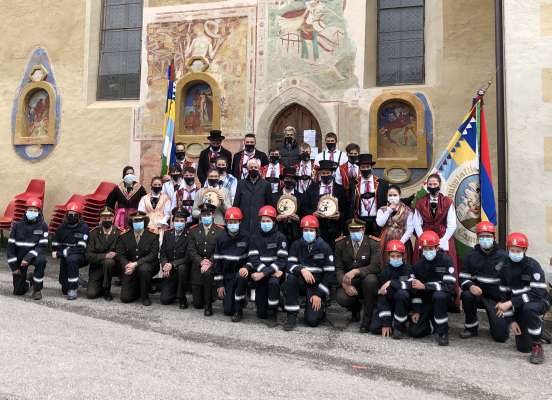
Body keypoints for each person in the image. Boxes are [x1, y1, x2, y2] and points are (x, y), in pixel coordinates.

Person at [496, 232, 551, 364]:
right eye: (512, 250)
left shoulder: (533, 266)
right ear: (508, 249)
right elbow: (504, 295)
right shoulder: (504, 267)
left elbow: (537, 293)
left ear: (524, 250)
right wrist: (511, 321)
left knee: (529, 308)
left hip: (539, 301)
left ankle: (537, 345)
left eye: (518, 250)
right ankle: (539, 331)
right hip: (520, 305)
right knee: (523, 348)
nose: (515, 253)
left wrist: (511, 302)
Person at [236, 206, 287, 326]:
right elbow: (254, 258)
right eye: (263, 221)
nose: (265, 223)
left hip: (273, 274)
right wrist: (264, 272)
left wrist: (264, 273)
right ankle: (278, 301)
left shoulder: (281, 237)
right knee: (260, 314)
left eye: (268, 221)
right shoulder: (254, 237)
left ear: (274, 222)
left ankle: (273, 314)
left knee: (273, 283)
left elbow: (281, 261)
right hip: (263, 273)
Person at [283, 215, 336, 330]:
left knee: (312, 321)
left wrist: (319, 294)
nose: (308, 233)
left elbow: (330, 275)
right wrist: (301, 269)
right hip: (301, 281)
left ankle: (321, 307)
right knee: (291, 278)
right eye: (305, 230)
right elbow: (289, 265)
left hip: (317, 286)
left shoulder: (325, 247)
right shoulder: (296, 245)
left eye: (311, 230)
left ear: (316, 231)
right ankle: (291, 315)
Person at [409, 231, 456, 346]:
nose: (427, 251)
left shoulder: (446, 260)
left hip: (444, 298)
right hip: (426, 300)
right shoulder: (418, 265)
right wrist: (416, 310)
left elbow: (449, 286)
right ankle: (431, 324)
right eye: (425, 248)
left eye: (430, 248)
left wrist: (426, 286)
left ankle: (443, 333)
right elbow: (416, 291)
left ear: (437, 247)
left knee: (439, 295)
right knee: (414, 332)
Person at [335, 219, 381, 332]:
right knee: (341, 297)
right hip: (349, 281)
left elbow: (375, 266)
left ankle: (366, 320)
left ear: (363, 229)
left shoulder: (373, 243)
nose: (354, 232)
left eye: (357, 229)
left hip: (366, 279)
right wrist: (345, 285)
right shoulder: (341, 244)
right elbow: (338, 268)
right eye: (352, 230)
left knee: (371, 280)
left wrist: (356, 271)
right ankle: (355, 309)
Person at [370, 240, 415, 339]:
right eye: (393, 256)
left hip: (404, 305)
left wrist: (392, 283)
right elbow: (382, 297)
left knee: (402, 293)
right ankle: (391, 322)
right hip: (389, 305)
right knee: (374, 328)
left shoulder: (408, 269)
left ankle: (400, 326)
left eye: (398, 256)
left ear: (403, 256)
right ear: (388, 257)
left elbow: (411, 286)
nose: (395, 259)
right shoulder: (384, 273)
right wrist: (386, 322)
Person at [413, 173, 458, 271]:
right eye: (430, 184)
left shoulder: (448, 202)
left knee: (443, 266)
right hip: (424, 234)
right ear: (427, 185)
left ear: (440, 185)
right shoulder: (420, 202)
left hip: (443, 235)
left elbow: (452, 225)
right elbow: (416, 223)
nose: (432, 187)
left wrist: (443, 240)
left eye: (435, 184)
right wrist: (423, 239)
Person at [6, 197, 49, 300]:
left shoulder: (43, 226)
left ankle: (37, 290)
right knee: (18, 292)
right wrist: (14, 267)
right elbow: (10, 248)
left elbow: (42, 246)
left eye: (35, 211)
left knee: (42, 260)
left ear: (39, 212)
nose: (32, 212)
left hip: (33, 256)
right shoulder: (17, 225)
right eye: (30, 210)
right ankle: (30, 281)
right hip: (19, 258)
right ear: (25, 211)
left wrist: (28, 257)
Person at [186, 203, 224, 315]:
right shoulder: (193, 230)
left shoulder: (220, 230)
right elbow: (191, 250)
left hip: (212, 267)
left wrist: (210, 262)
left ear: (212, 215)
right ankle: (203, 299)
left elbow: (219, 250)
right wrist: (201, 261)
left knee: (208, 278)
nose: (206, 217)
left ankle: (208, 306)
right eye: (203, 215)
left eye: (208, 214)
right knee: (197, 304)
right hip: (198, 267)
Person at [116, 211, 159, 306]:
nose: (137, 223)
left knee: (143, 269)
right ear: (131, 222)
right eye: (135, 221)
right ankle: (139, 288)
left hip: (147, 266)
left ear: (145, 221)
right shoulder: (124, 236)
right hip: (129, 267)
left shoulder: (153, 235)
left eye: (140, 220)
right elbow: (120, 254)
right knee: (125, 298)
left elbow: (153, 255)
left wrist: (135, 264)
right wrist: (126, 265)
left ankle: (145, 296)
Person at [213, 207, 250, 318]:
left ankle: (239, 309)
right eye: (230, 222)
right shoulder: (220, 238)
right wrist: (220, 285)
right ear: (226, 222)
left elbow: (251, 258)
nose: (232, 224)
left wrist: (247, 267)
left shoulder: (246, 237)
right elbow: (217, 262)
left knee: (242, 276)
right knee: (228, 311)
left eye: (235, 222)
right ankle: (236, 301)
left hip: (240, 275)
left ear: (240, 222)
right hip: (227, 276)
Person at [303, 160, 348, 250]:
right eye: (323, 173)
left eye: (328, 172)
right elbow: (304, 207)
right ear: (319, 173)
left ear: (332, 173)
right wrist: (313, 214)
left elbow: (346, 208)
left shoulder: (340, 189)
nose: (326, 175)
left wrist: (340, 216)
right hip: (317, 228)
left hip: (335, 228)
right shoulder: (312, 188)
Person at [52, 202, 89, 300]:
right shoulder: (61, 227)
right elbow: (55, 242)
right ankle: (76, 280)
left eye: (74, 214)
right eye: (70, 214)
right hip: (65, 255)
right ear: (66, 215)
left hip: (79, 255)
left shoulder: (84, 227)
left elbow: (81, 248)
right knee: (64, 288)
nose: (72, 216)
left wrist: (61, 253)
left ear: (79, 216)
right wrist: (56, 250)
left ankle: (73, 289)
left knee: (71, 260)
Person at [85, 207, 121, 301]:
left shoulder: (119, 233)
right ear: (100, 219)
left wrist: (114, 255)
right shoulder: (93, 233)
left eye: (109, 218)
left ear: (113, 218)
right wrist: (105, 256)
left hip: (112, 267)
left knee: (108, 262)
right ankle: (99, 285)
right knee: (91, 294)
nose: (107, 220)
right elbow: (88, 256)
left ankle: (106, 290)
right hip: (97, 267)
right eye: (104, 218)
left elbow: (122, 253)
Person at [159, 208, 190, 308]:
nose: (179, 223)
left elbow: (188, 257)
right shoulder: (168, 234)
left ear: (186, 222)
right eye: (176, 220)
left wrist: (171, 264)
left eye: (181, 221)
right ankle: (173, 291)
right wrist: (164, 264)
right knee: (165, 300)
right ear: (173, 221)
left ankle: (182, 297)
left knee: (182, 268)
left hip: (183, 270)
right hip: (169, 271)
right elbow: (163, 252)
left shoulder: (190, 235)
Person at [351, 154, 389, 235]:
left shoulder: (382, 184)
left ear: (371, 167)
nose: (365, 169)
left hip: (376, 222)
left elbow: (387, 201)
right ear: (359, 168)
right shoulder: (353, 184)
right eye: (363, 167)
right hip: (360, 221)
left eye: (367, 167)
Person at [376, 185, 414, 264]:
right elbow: (380, 223)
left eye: (395, 195)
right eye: (390, 195)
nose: (392, 197)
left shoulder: (407, 210)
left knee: (403, 262)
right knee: (386, 261)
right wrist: (389, 210)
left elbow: (410, 229)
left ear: (399, 196)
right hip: (386, 239)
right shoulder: (382, 209)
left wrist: (401, 242)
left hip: (402, 239)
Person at [233, 158, 273, 234]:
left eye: (255, 167)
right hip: (244, 223)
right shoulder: (241, 184)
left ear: (259, 169)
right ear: (247, 169)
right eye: (251, 167)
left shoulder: (266, 185)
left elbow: (269, 205)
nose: (253, 169)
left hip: (260, 223)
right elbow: (236, 204)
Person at [275, 167, 304, 244]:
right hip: (279, 231)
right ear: (283, 180)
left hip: (296, 234)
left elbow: (305, 214)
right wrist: (276, 218)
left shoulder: (301, 197)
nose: (290, 181)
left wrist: (299, 219)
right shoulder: (274, 196)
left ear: (295, 181)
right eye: (287, 178)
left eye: (292, 179)